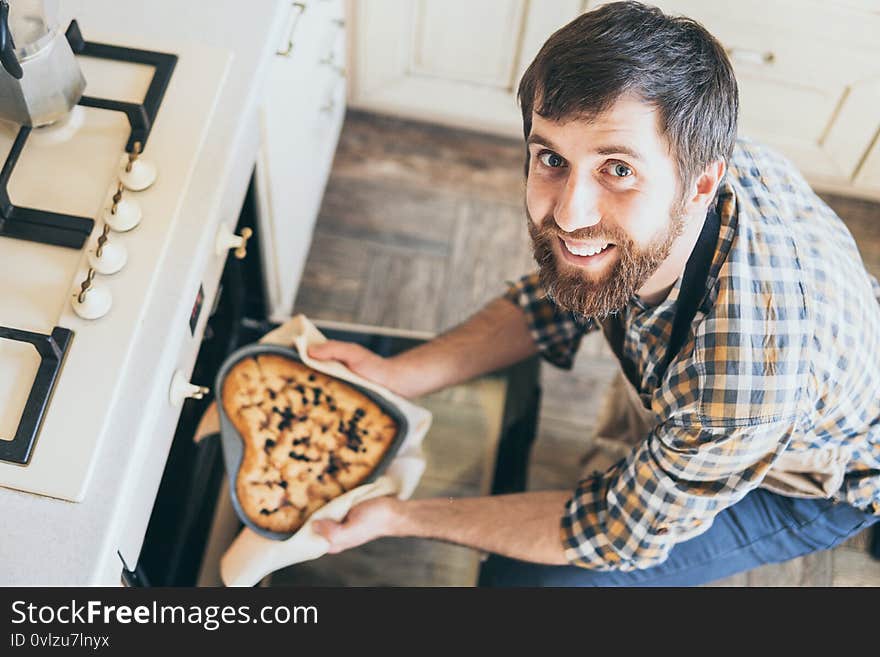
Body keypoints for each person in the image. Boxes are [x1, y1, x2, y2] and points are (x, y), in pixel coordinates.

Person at [307, 1, 880, 586]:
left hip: (815, 479)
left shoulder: (745, 380)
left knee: (525, 586)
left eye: (617, 170)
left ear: (701, 184)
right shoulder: (683, 152)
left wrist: (398, 518)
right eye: (551, 158)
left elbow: (611, 533)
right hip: (781, 377)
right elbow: (559, 294)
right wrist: (396, 375)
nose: (569, 213)